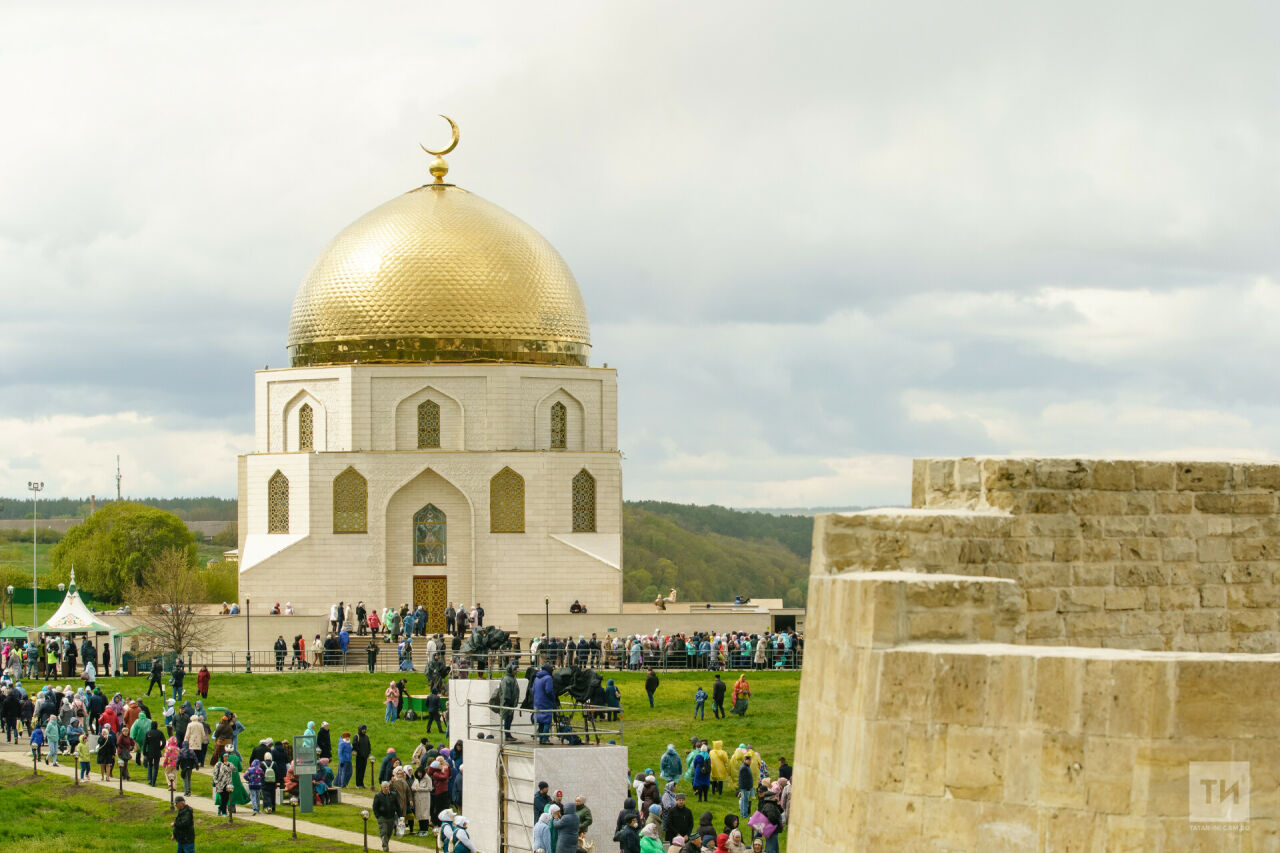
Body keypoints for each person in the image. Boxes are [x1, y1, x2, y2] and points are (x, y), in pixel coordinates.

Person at [372, 780, 401, 852]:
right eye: (385, 787)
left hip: (391, 817)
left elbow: (397, 806)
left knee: (389, 832)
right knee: (384, 832)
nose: (386, 789)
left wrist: (400, 816)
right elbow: (375, 807)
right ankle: (385, 847)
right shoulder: (378, 796)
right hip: (382, 817)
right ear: (382, 788)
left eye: (387, 787)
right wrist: (378, 816)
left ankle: (385, 843)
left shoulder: (394, 795)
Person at [145, 719, 165, 785]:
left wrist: (145, 751)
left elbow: (145, 743)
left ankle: (150, 779)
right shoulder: (160, 733)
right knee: (156, 767)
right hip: (157, 752)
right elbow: (164, 742)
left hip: (150, 751)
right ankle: (154, 781)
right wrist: (160, 748)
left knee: (150, 765)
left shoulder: (148, 733)